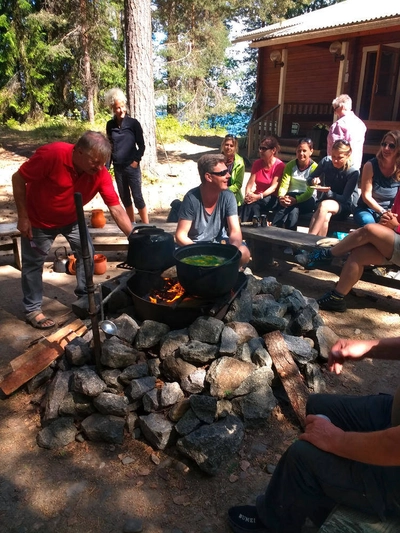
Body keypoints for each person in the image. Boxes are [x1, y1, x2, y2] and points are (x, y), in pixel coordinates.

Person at [228, 335, 400, 533]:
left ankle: (274, 523)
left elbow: (393, 446)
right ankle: (322, 494)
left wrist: (335, 439)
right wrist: (369, 348)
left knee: (302, 456)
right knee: (319, 406)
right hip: (392, 415)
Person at [12, 131, 133, 329]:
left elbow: (116, 207)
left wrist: (133, 236)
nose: (99, 167)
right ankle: (33, 309)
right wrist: (23, 216)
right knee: (34, 264)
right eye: (95, 161)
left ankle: (85, 297)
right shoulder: (52, 155)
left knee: (87, 253)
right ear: (78, 152)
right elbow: (18, 178)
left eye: (103, 162)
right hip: (38, 219)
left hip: (72, 218)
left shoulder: (99, 172)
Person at [297, 188, 400, 312]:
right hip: (394, 241)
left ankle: (327, 255)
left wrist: (396, 225)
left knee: (368, 230)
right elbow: (394, 215)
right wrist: (386, 220)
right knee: (359, 253)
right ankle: (336, 298)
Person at [175, 153, 250, 268]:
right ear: (208, 177)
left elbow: (235, 231)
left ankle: (227, 275)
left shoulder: (228, 196)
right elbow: (180, 235)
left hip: (218, 243)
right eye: (222, 173)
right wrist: (202, 252)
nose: (228, 175)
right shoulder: (191, 198)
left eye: (227, 171)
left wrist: (231, 250)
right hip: (195, 245)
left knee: (244, 253)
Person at [105, 88, 149, 224]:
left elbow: (141, 145)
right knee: (125, 198)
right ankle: (132, 224)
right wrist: (107, 167)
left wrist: (136, 161)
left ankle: (147, 225)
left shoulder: (133, 123)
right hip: (118, 168)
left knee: (137, 197)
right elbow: (109, 147)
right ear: (112, 108)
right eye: (118, 108)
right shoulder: (110, 125)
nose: (121, 110)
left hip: (132, 167)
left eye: (123, 106)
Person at [306, 139, 359, 237]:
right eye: (333, 156)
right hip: (325, 204)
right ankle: (318, 247)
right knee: (325, 216)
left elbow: (344, 198)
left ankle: (308, 239)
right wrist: (313, 180)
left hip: (344, 205)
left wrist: (328, 192)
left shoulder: (353, 172)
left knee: (324, 205)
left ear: (348, 156)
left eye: (340, 158)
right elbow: (309, 179)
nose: (335, 160)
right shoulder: (326, 161)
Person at [354, 130, 400, 226]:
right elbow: (366, 196)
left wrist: (390, 214)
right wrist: (382, 212)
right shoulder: (370, 165)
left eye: (391, 146)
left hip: (390, 212)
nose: (386, 148)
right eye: (384, 144)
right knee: (370, 226)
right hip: (367, 209)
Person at [272, 138, 318, 231]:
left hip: (308, 199)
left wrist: (296, 200)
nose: (301, 153)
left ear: (311, 151)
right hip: (290, 199)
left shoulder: (315, 167)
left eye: (304, 151)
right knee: (293, 210)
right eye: (299, 150)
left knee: (289, 206)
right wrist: (281, 196)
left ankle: (274, 229)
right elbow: (284, 184)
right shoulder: (290, 165)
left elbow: (310, 191)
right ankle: (290, 238)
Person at [241, 136, 285, 226]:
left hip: (271, 197)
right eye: (260, 148)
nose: (260, 151)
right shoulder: (257, 163)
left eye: (264, 149)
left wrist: (258, 196)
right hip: (257, 196)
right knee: (248, 203)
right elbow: (250, 183)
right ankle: (244, 228)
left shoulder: (279, 165)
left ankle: (253, 224)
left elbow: (273, 187)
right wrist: (247, 195)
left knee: (256, 203)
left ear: (273, 150)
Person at [327, 94, 367, 170]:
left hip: (339, 167)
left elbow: (334, 148)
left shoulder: (338, 125)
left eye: (335, 109)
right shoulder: (361, 124)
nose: (335, 112)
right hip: (355, 166)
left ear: (342, 107)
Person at [221, 134, 245, 208]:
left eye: (231, 146)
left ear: (235, 148)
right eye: (226, 145)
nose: (228, 148)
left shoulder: (239, 162)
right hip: (216, 194)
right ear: (223, 145)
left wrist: (224, 191)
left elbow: (238, 184)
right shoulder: (216, 159)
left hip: (232, 196)